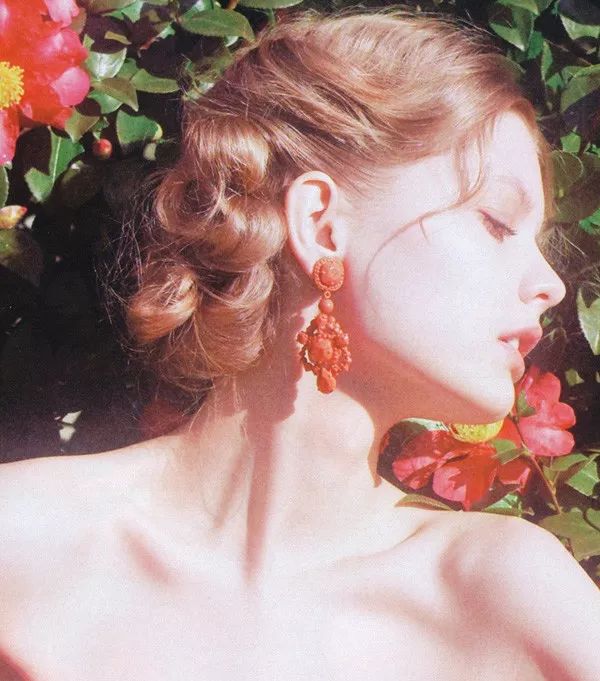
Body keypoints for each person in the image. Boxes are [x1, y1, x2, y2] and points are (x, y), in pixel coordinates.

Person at [1, 9, 599, 681]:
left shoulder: (503, 596)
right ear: (320, 223)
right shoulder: (23, 545)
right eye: (496, 221)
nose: (550, 284)